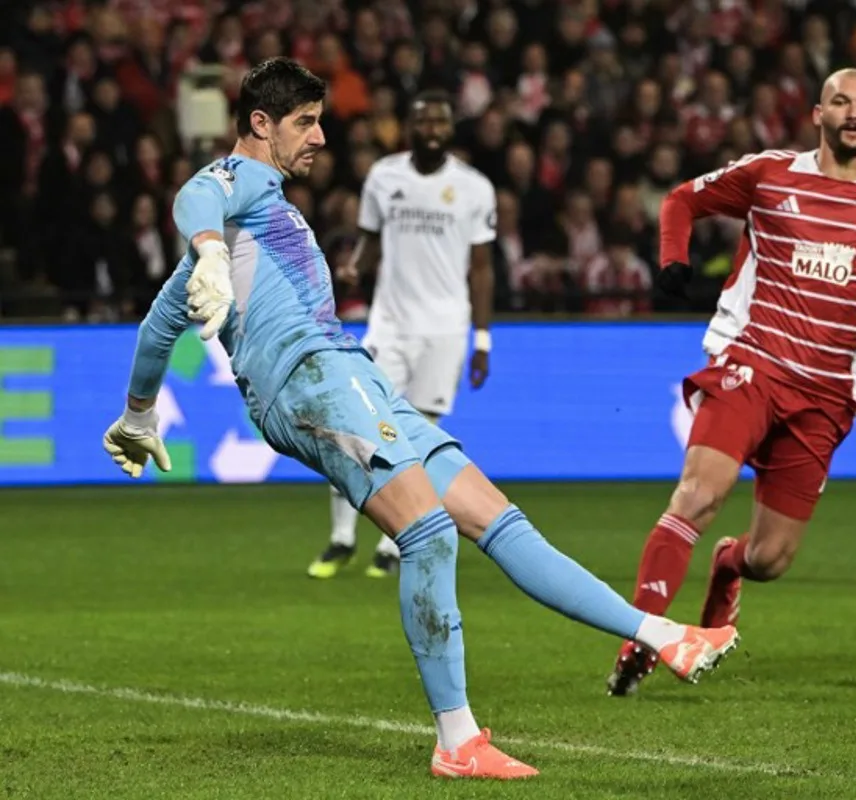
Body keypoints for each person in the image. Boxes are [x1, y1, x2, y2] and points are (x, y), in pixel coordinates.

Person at [99, 58, 738, 778]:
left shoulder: (250, 217)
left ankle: (663, 634)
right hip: (313, 380)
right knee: (427, 534)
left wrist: (139, 413)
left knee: (496, 519)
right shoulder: (240, 185)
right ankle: (458, 741)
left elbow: (159, 326)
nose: (319, 138)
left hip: (351, 374)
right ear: (260, 124)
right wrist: (210, 247)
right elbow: (196, 193)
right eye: (305, 122)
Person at [605, 68, 856, 697]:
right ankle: (646, 632)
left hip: (828, 391)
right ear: (818, 112)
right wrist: (674, 257)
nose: (853, 113)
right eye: (841, 101)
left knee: (770, 560)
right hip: (750, 362)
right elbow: (683, 199)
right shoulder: (769, 174)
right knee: (697, 497)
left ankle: (728, 569)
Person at [311, 90, 497, 580]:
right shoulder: (384, 176)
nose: (432, 130)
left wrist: (482, 338)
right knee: (354, 429)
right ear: (409, 129)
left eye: (440, 121)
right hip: (389, 324)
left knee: (416, 444)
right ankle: (340, 537)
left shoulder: (474, 187)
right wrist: (354, 269)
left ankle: (392, 544)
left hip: (445, 329)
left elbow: (481, 268)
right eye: (423, 122)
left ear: (450, 129)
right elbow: (372, 240)